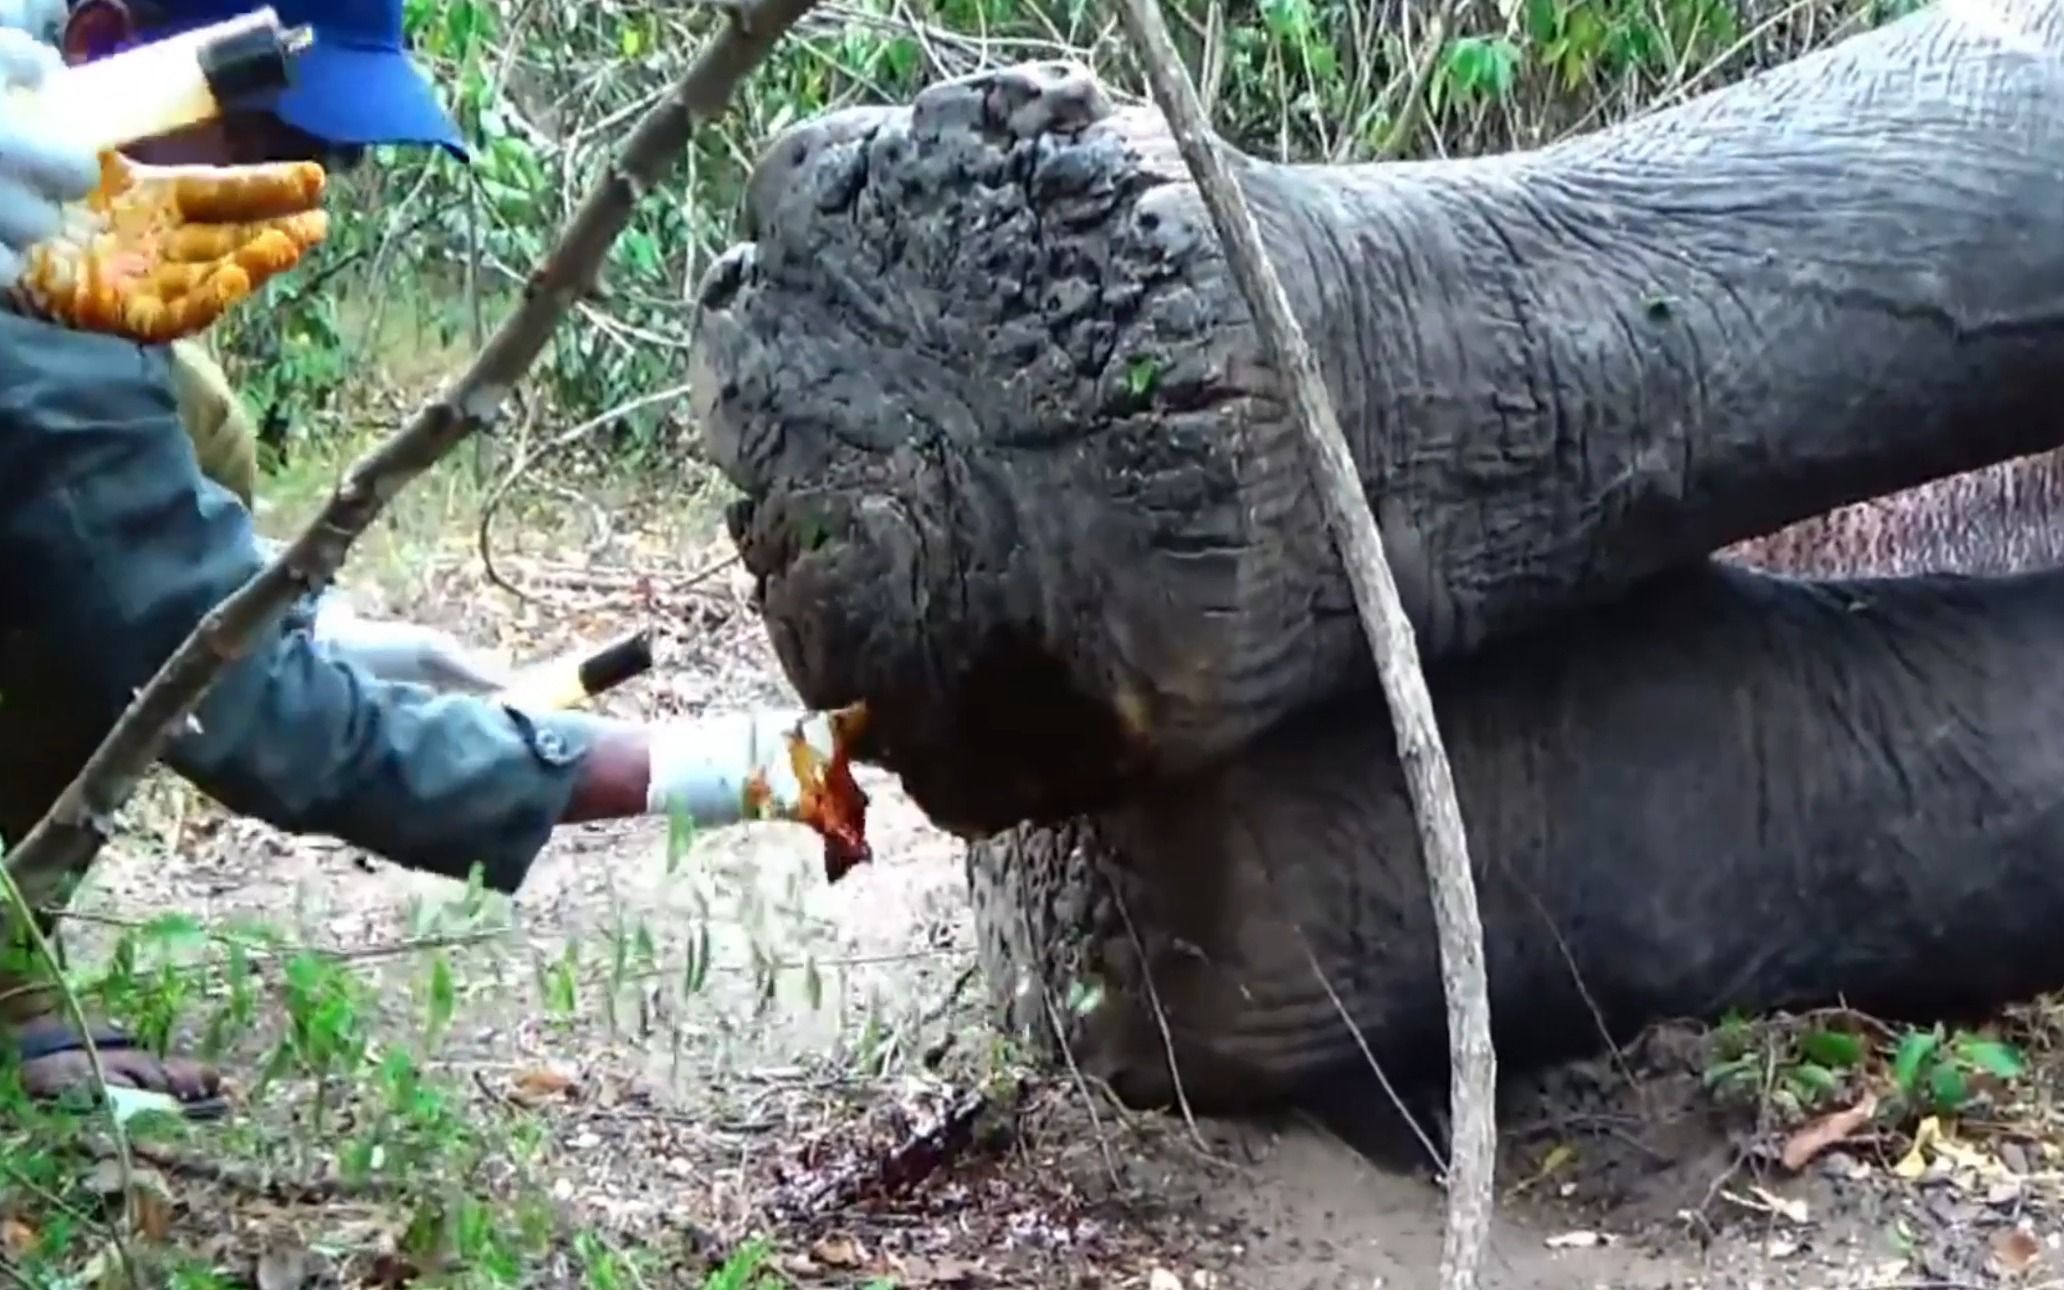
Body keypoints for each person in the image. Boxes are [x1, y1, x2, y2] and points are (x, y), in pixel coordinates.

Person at [0, 0, 852, 1116]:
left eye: (332, 158)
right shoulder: (45, 352)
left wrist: (331, 631)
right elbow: (256, 713)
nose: (301, 186)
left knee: (197, 412)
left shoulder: (63, 283)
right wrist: (744, 765)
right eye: (275, 136)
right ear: (106, 50)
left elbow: (112, 547)